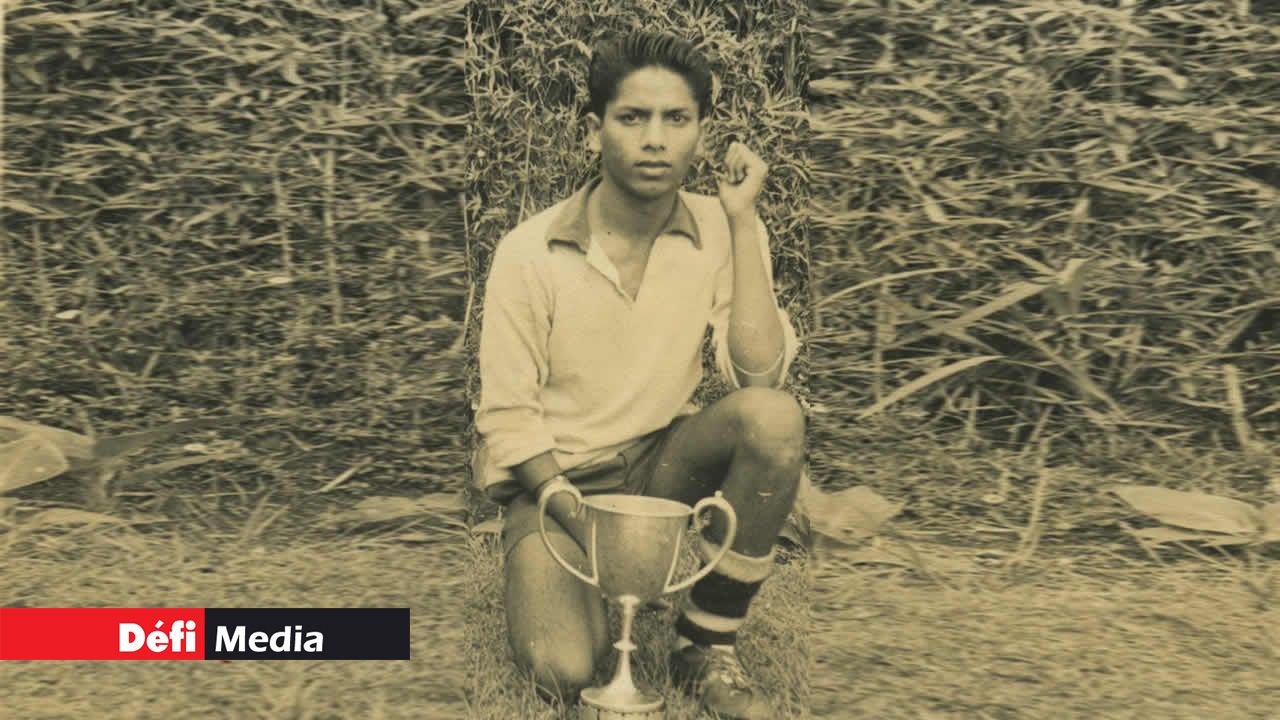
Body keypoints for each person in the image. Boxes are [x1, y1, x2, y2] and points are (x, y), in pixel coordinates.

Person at [472, 30, 804, 720]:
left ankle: (706, 641)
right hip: (557, 487)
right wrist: (588, 525)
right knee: (562, 669)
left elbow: (759, 373)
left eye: (676, 119)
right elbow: (507, 417)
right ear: (595, 133)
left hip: (662, 474)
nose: (655, 139)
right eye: (633, 118)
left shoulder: (723, 227)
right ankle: (597, 592)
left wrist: (743, 224)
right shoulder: (529, 251)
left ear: (701, 133)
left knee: (774, 419)